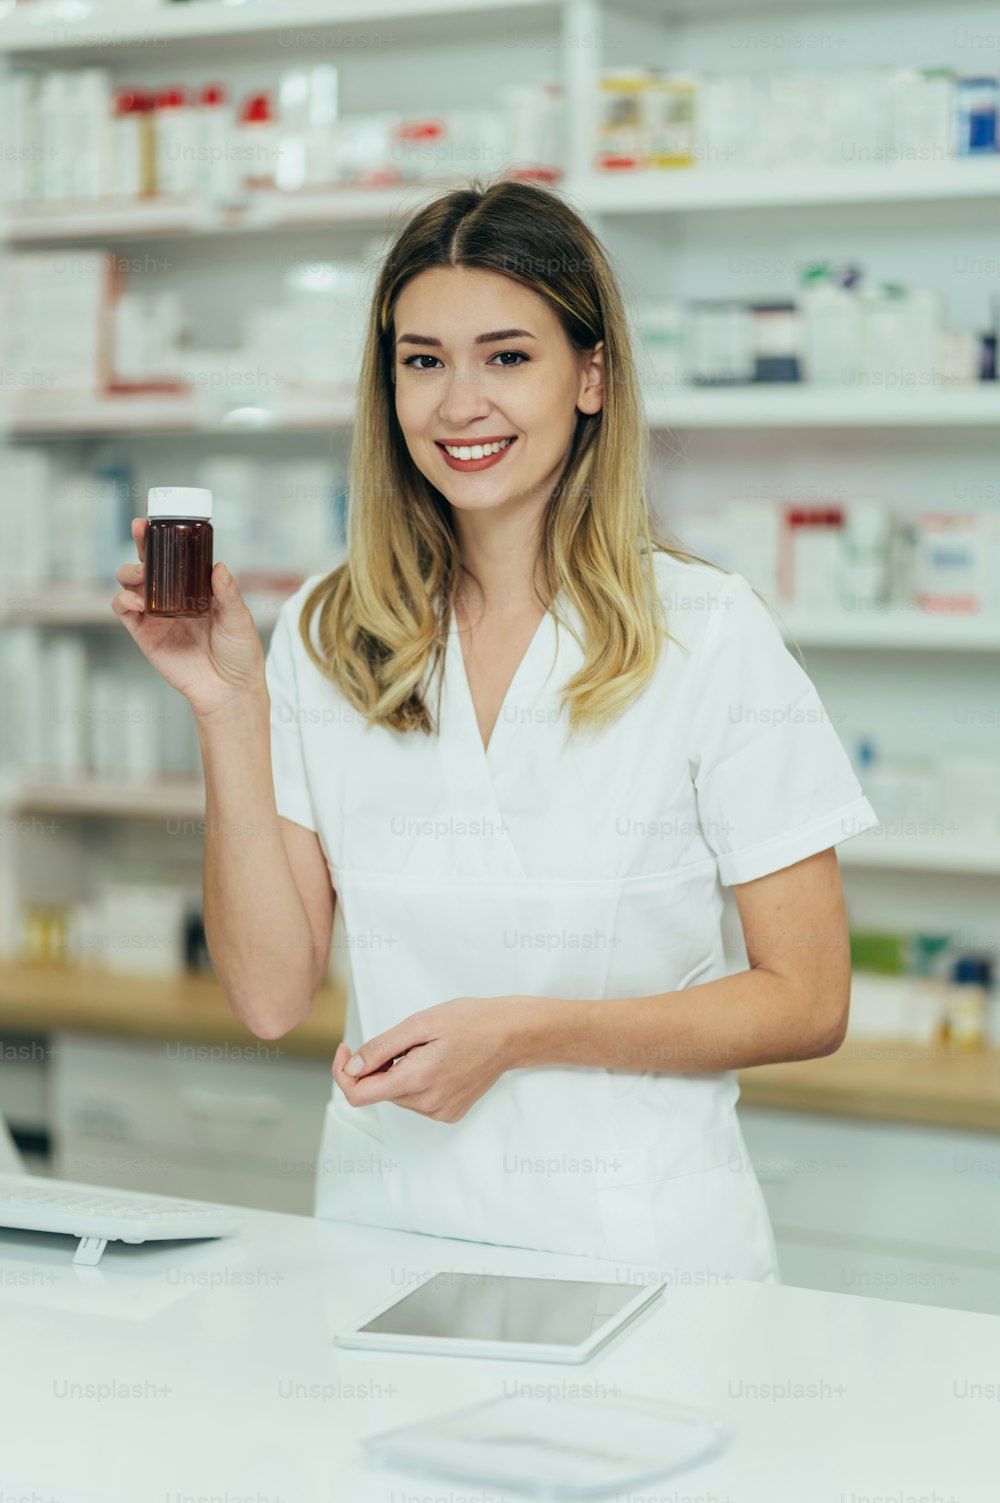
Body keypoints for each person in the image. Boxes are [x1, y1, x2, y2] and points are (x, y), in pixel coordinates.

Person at [113, 176, 879, 1282]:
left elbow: (809, 999)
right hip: (388, 1250)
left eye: (506, 356)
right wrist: (227, 711)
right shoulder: (332, 628)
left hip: (643, 1260)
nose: (458, 402)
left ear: (591, 376)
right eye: (422, 360)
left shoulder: (707, 633)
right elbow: (273, 996)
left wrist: (524, 1032)